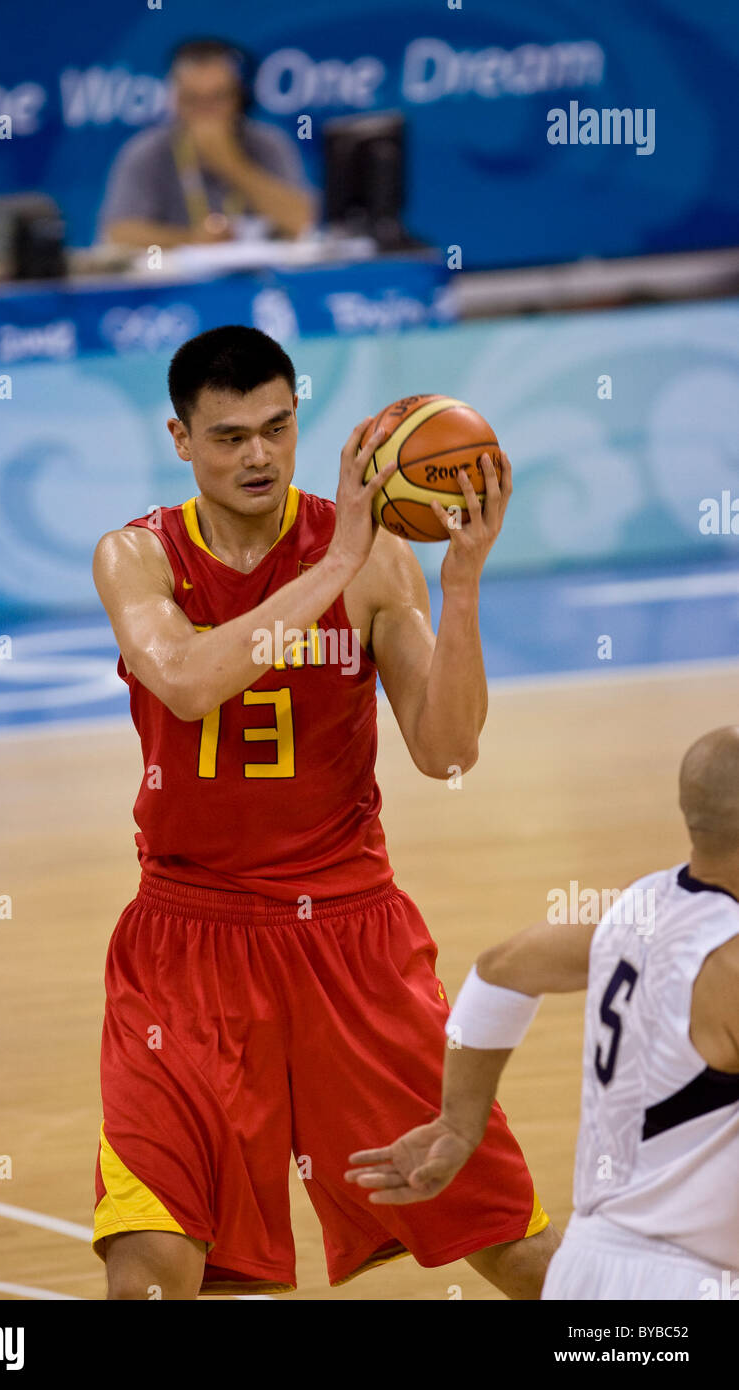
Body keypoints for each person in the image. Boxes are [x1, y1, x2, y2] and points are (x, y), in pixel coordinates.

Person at [90, 324, 558, 1299]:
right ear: (180, 439)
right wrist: (336, 561)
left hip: (351, 941)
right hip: (188, 949)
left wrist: (459, 583)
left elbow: (447, 749)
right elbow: (182, 682)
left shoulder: (379, 561)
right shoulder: (137, 557)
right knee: (156, 1269)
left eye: (276, 427)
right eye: (227, 437)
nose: (257, 455)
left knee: (513, 1249)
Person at [347, 726, 739, 1300]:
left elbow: (500, 971)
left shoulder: (641, 907)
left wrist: (460, 1123)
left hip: (584, 1271)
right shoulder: (727, 964)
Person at [98, 39, 314, 249]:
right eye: (193, 100)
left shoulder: (268, 143)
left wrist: (231, 164)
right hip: (178, 282)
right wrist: (191, 240)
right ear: (175, 102)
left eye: (218, 97)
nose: (206, 111)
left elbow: (304, 221)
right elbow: (117, 235)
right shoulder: (146, 151)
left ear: (240, 98)